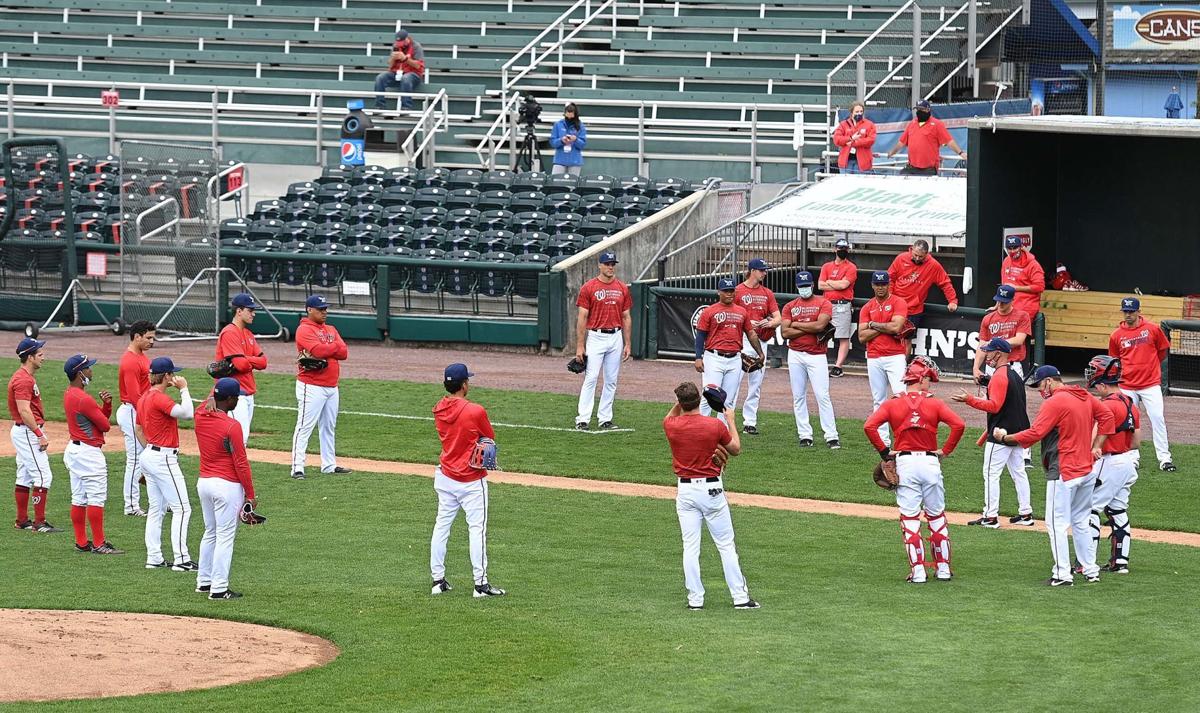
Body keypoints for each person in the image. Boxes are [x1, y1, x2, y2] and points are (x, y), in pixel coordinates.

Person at [993, 365, 1115, 586]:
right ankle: (1090, 570)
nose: (1040, 391)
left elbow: (1034, 434)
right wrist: (1096, 446)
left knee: (1055, 523)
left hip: (1064, 471)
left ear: (1049, 381)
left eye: (1040, 385)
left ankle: (1062, 574)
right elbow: (1107, 416)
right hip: (1086, 470)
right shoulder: (1084, 395)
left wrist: (1004, 438)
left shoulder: (1055, 402)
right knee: (1080, 521)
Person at [863, 358, 965, 583]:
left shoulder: (892, 404)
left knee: (910, 519)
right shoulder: (935, 404)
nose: (930, 384)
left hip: (905, 464)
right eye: (929, 379)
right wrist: (946, 451)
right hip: (930, 463)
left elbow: (869, 426)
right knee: (936, 517)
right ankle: (943, 570)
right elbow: (959, 425)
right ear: (921, 378)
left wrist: (884, 452)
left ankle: (918, 572)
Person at [663, 382, 759, 610]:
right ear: (700, 400)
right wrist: (732, 421)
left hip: (685, 492)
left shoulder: (671, 425)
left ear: (680, 402)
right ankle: (740, 598)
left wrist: (680, 402)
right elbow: (735, 449)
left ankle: (695, 600)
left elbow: (672, 413)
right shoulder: (715, 425)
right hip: (712, 491)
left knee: (690, 546)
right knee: (725, 545)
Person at [430, 363, 505, 598]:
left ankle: (437, 580)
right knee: (476, 530)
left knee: (442, 527)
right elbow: (488, 437)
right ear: (464, 385)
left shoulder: (439, 408)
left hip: (445, 475)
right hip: (471, 480)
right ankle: (480, 585)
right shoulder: (475, 411)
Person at [951, 338, 1033, 528]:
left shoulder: (999, 376)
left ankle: (990, 516)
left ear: (998, 353)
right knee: (1019, 473)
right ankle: (1026, 513)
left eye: (989, 352)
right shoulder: (1014, 375)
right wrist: (988, 386)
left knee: (991, 474)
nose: (986, 355)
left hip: (1000, 434)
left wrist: (969, 400)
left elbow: (994, 406)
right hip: (1019, 432)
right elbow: (1006, 399)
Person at [195, 377, 257, 600]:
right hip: (227, 486)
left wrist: (212, 396)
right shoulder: (232, 426)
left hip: (204, 483)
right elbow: (241, 463)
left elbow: (207, 400)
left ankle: (204, 582)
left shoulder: (200, 414)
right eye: (236, 398)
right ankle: (219, 588)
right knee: (224, 537)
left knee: (210, 532)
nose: (238, 401)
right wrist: (250, 494)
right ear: (229, 399)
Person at [136, 357, 196, 571]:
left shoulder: (144, 398)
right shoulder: (159, 398)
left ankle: (154, 557)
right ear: (167, 376)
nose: (175, 377)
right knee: (182, 508)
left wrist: (150, 456)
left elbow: (138, 430)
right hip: (163, 458)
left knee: (156, 509)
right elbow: (188, 413)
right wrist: (184, 389)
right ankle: (182, 560)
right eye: (172, 374)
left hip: (150, 455)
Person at [1082, 355, 1140, 575]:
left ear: (1103, 383)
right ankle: (1120, 562)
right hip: (1128, 463)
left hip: (1109, 461)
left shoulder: (1105, 406)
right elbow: (1136, 441)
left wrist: (1089, 453)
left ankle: (1086, 563)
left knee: (1089, 508)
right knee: (1117, 509)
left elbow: (1097, 437)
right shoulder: (1130, 403)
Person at [62, 354, 123, 554]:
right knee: (96, 497)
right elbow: (104, 425)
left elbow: (97, 420)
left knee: (78, 497)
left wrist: (106, 406)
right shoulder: (84, 399)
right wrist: (103, 409)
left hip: (74, 450)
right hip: (89, 453)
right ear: (80, 373)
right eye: (88, 367)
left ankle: (81, 541)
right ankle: (99, 543)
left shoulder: (70, 393)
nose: (91, 370)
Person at [1108, 297, 1174, 472]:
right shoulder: (1116, 335)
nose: (1128, 315)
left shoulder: (1152, 329)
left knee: (1158, 418)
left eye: (1131, 311)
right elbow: (1115, 360)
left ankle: (1165, 458)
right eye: (1125, 311)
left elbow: (1162, 351)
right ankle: (1132, 458)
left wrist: (1150, 369)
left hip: (1150, 384)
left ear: (1138, 311)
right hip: (1127, 385)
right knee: (1129, 422)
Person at [291, 295, 352, 480]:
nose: (324, 312)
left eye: (325, 309)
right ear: (309, 309)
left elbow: (344, 352)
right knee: (304, 427)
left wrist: (328, 348)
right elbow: (319, 351)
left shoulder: (331, 328)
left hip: (332, 386)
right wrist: (332, 347)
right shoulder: (303, 330)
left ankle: (329, 465)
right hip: (311, 385)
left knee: (328, 427)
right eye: (320, 309)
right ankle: (297, 467)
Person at [780, 270, 839, 449]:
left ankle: (831, 436)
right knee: (798, 396)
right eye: (801, 286)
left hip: (817, 354)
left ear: (812, 285)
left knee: (823, 395)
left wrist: (796, 323)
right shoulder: (790, 306)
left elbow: (821, 325)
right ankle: (805, 435)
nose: (804, 289)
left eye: (807, 286)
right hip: (795, 354)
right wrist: (809, 327)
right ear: (797, 287)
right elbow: (785, 332)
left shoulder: (824, 302)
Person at [574, 251, 632, 431]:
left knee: (611, 380)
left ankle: (605, 418)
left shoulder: (622, 287)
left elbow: (626, 317)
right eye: (607, 264)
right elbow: (582, 317)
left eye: (612, 263)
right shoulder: (589, 287)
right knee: (590, 378)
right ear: (599, 265)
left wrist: (628, 343)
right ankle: (582, 419)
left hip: (615, 336)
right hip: (596, 336)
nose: (610, 267)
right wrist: (580, 345)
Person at [694, 277, 765, 421]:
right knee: (709, 395)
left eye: (731, 291)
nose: (729, 294)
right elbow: (700, 335)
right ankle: (701, 429)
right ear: (719, 292)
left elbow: (750, 333)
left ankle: (723, 432)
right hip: (714, 357)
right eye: (726, 291)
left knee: (728, 400)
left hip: (734, 359)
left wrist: (760, 352)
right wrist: (698, 357)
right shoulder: (710, 311)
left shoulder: (742, 311)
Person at [9, 337, 59, 534]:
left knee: (25, 474)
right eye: (40, 354)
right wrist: (39, 434)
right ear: (30, 357)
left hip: (25, 431)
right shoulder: (22, 380)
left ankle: (22, 520)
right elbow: (24, 411)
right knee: (42, 475)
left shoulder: (25, 377)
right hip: (28, 432)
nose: (43, 358)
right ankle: (39, 522)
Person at [858, 271, 908, 445]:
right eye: (877, 284)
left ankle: (904, 437)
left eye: (883, 284)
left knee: (901, 397)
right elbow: (861, 337)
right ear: (872, 285)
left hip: (895, 356)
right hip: (874, 356)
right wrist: (884, 326)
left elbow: (896, 328)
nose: (880, 287)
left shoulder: (898, 302)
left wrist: (872, 324)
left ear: (889, 285)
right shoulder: (867, 307)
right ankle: (883, 441)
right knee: (878, 399)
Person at [734, 258, 781, 435]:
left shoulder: (767, 293)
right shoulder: (738, 291)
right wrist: (746, 323)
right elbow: (730, 311)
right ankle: (724, 420)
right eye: (761, 270)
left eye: (765, 270)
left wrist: (768, 324)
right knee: (733, 382)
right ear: (752, 270)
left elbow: (778, 318)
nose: (764, 273)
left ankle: (750, 422)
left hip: (760, 340)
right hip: (742, 339)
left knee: (756, 384)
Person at [216, 293, 268, 442]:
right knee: (238, 440)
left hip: (248, 392)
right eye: (250, 310)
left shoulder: (248, 334)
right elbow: (240, 365)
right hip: (232, 395)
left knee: (242, 439)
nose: (254, 313)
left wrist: (245, 358)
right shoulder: (229, 333)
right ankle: (229, 466)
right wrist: (249, 360)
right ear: (239, 311)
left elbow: (263, 362)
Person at [117, 320, 155, 517]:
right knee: (135, 460)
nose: (152, 341)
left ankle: (157, 500)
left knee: (147, 458)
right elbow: (134, 396)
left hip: (140, 411)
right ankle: (130, 506)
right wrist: (146, 418)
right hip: (133, 412)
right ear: (137, 336)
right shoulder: (130, 361)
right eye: (148, 337)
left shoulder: (142, 356)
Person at [887, 238, 958, 340]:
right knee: (889, 336)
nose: (917, 258)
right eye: (915, 255)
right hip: (895, 306)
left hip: (914, 310)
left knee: (906, 339)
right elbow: (890, 278)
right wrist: (889, 297)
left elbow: (945, 283)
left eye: (920, 256)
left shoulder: (933, 265)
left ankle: (905, 356)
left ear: (926, 254)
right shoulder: (901, 258)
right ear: (911, 250)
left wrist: (952, 301)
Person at [885, 100, 967, 175]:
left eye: (921, 109)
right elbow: (901, 142)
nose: (919, 112)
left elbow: (949, 141)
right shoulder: (912, 124)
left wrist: (961, 153)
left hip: (928, 169)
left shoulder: (937, 124)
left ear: (928, 110)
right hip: (912, 167)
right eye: (918, 109)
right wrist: (892, 152)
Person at [818, 237, 857, 377]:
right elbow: (820, 285)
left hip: (842, 305)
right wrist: (835, 283)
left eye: (845, 249)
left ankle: (838, 366)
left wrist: (830, 282)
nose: (843, 251)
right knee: (821, 333)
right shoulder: (826, 266)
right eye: (840, 248)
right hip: (827, 304)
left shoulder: (851, 267)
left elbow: (844, 285)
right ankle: (818, 362)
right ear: (835, 249)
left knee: (843, 337)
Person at [974, 285, 1031, 380]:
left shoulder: (1022, 316)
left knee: (1014, 394)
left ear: (1012, 300)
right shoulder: (988, 318)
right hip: (992, 365)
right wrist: (976, 368)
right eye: (999, 300)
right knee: (990, 394)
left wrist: (994, 344)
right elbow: (982, 345)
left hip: (1012, 365)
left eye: (1004, 302)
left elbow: (1019, 340)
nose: (1000, 304)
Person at [999, 235, 1045, 330]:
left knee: (1016, 335)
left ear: (1021, 247)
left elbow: (1040, 287)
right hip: (1008, 304)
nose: (1012, 251)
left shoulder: (1033, 264)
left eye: (1015, 248)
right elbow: (1003, 286)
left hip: (1026, 305)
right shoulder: (1006, 261)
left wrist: (1016, 288)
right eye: (1009, 248)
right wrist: (997, 305)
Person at [373, 30, 425, 111]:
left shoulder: (416, 46)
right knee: (380, 78)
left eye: (402, 42)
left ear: (407, 39)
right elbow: (390, 66)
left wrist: (405, 59)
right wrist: (393, 58)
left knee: (406, 78)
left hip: (413, 74)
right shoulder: (395, 47)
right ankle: (380, 105)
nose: (400, 45)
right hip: (397, 73)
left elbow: (418, 65)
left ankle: (406, 106)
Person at [832, 101, 876, 174]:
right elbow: (837, 139)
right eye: (857, 111)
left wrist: (855, 143)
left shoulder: (869, 124)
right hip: (846, 162)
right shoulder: (843, 124)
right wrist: (850, 138)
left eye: (861, 111)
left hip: (863, 163)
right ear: (851, 112)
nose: (859, 113)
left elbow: (871, 140)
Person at [549, 103, 587, 176]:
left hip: (574, 160)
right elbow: (553, 142)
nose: (569, 116)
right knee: (555, 180)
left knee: (572, 183)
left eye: (571, 114)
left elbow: (582, 145)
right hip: (560, 159)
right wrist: (561, 140)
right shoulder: (558, 124)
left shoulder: (580, 126)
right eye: (567, 113)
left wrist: (575, 139)